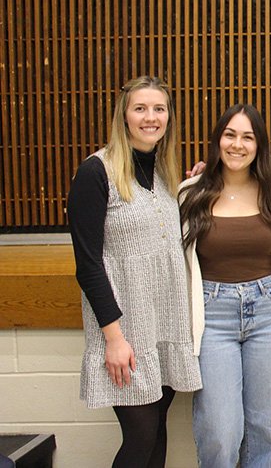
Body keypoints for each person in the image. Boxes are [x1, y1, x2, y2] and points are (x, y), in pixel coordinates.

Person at [67, 76, 202, 468]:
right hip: (126, 333)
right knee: (141, 437)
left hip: (164, 327)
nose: (150, 117)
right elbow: (88, 264)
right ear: (123, 116)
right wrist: (114, 338)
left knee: (158, 432)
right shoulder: (97, 172)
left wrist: (201, 179)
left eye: (159, 109)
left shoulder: (163, 173)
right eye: (140, 108)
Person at [179, 104, 271, 467]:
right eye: (230, 135)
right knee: (219, 430)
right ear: (217, 141)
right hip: (212, 319)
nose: (238, 144)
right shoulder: (190, 194)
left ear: (259, 145)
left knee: (264, 430)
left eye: (248, 137)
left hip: (268, 314)